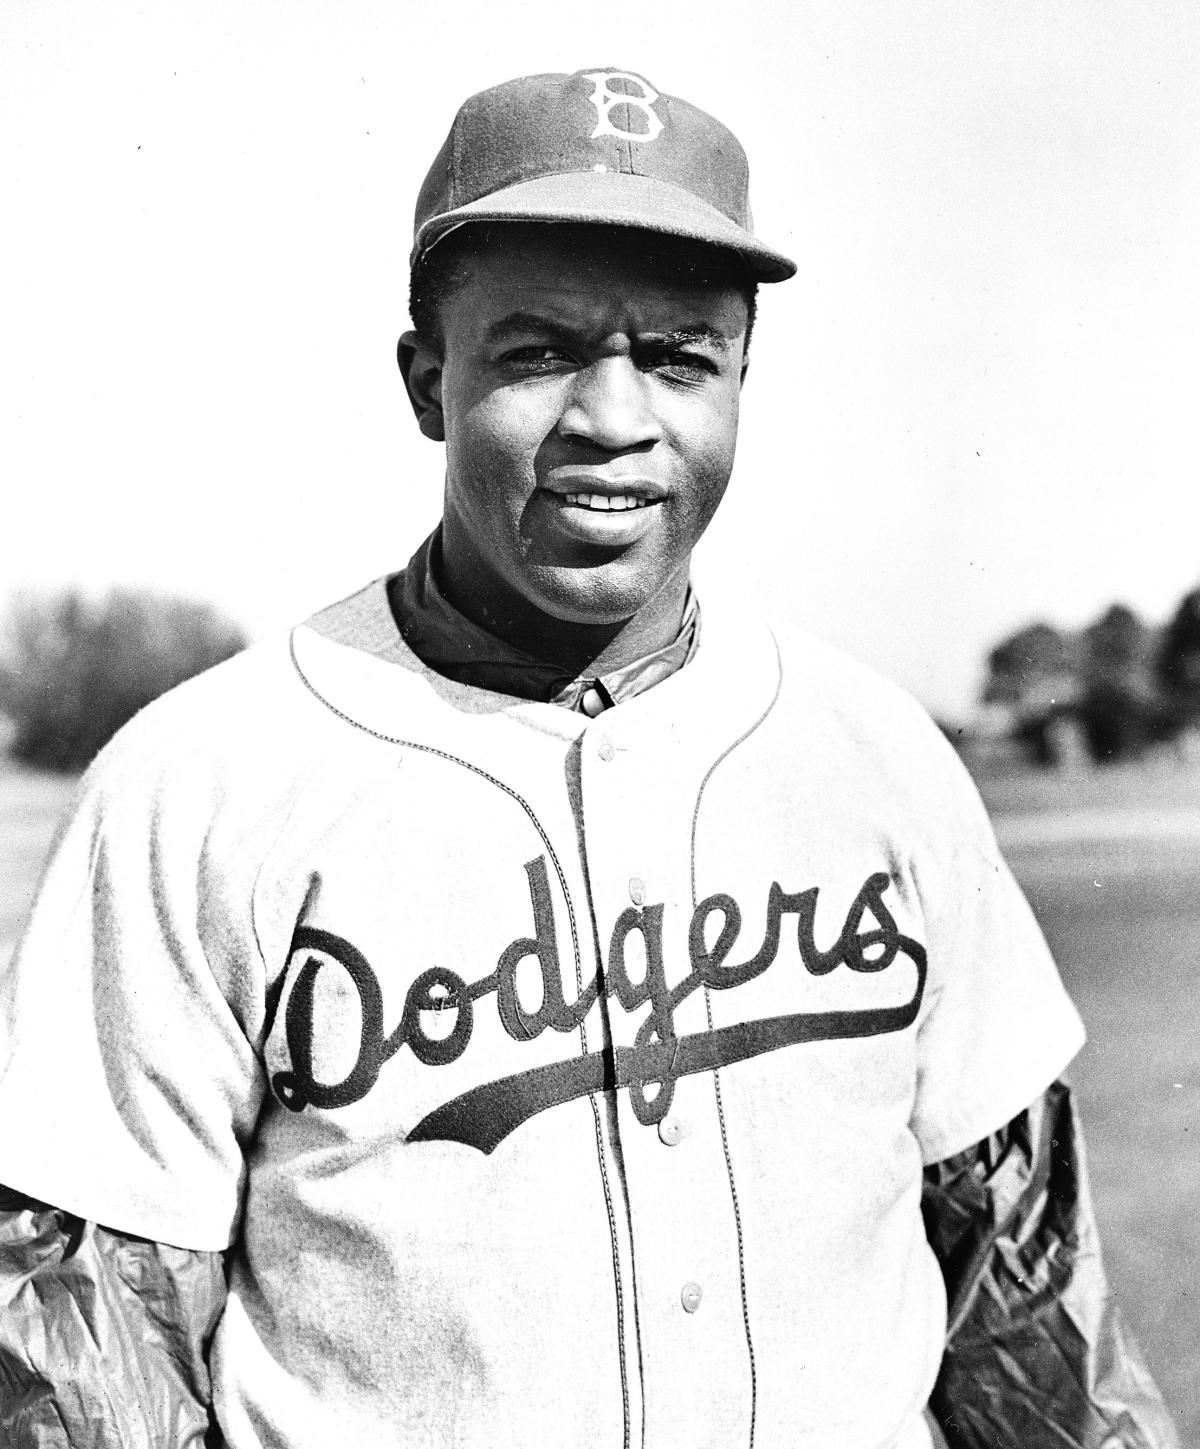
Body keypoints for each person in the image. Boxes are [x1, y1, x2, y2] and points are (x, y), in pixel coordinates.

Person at [0, 66, 1179, 1449]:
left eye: (679, 357)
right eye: (540, 349)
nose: (614, 420)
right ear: (426, 380)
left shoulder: (876, 760)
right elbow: (91, 1364)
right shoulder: (199, 785)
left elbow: (1031, 1311)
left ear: (744, 377)